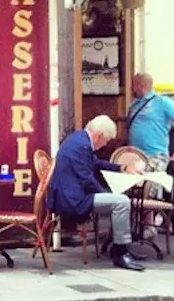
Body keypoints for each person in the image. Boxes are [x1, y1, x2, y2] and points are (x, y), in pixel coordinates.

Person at [47, 115, 147, 271]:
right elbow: (87, 179)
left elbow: (96, 163)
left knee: (118, 200)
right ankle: (120, 253)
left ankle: (120, 246)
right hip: (73, 201)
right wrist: (107, 194)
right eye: (106, 140)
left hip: (71, 195)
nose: (105, 144)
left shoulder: (79, 138)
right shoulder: (83, 146)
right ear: (99, 135)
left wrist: (122, 168)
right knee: (121, 202)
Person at [128, 73, 174, 237]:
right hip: (135, 155)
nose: (132, 88)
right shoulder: (135, 104)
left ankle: (149, 226)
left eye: (134, 85)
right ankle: (140, 224)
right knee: (136, 189)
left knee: (149, 189)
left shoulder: (162, 102)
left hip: (155, 154)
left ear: (141, 85)